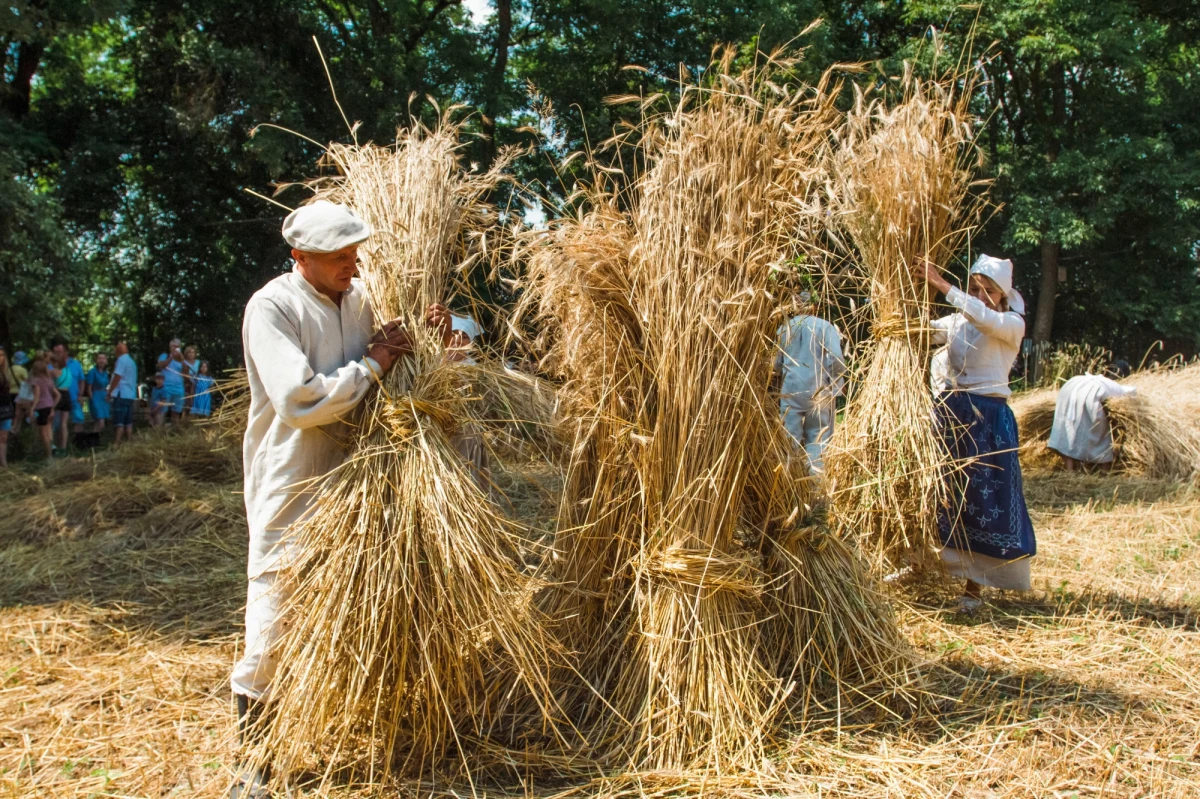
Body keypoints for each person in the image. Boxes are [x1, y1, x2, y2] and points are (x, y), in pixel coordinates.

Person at [229, 200, 432, 798]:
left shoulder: (361, 295)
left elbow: (399, 350)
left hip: (360, 480)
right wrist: (371, 366)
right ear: (300, 259)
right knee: (273, 618)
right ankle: (254, 765)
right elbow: (298, 399)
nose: (353, 262)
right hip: (292, 482)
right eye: (338, 255)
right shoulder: (274, 307)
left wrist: (423, 332)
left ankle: (370, 729)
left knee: (370, 605)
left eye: (354, 251)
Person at [914, 254, 1037, 615]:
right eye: (973, 288)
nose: (979, 295)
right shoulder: (956, 321)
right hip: (950, 415)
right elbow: (922, 333)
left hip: (989, 422)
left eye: (987, 290)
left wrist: (940, 284)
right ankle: (920, 563)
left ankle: (975, 588)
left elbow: (983, 319)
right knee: (939, 493)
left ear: (1002, 295)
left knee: (985, 502)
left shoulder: (1009, 323)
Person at [775, 290, 847, 475]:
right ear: (814, 307)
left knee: (790, 441)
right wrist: (836, 382)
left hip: (790, 391)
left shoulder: (783, 329)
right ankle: (816, 491)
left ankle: (790, 487)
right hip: (819, 389)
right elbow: (837, 359)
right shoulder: (825, 326)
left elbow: (776, 364)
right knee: (818, 440)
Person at [1047, 373, 1137, 471]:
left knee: (1068, 434)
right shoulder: (1117, 390)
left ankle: (1070, 470)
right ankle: (1104, 471)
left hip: (1067, 393)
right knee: (1101, 437)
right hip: (1089, 396)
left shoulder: (1104, 384)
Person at [108, 339, 138, 446]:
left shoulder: (121, 360)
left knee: (119, 421)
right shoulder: (132, 362)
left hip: (121, 394)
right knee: (128, 421)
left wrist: (109, 392)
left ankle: (116, 443)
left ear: (118, 351)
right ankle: (129, 442)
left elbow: (117, 377)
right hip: (130, 395)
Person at [28, 357, 59, 459]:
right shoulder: (49, 380)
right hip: (49, 407)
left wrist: (32, 408)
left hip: (41, 408)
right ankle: (52, 447)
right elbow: (58, 395)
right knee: (49, 429)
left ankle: (49, 455)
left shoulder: (36, 381)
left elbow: (37, 395)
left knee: (43, 433)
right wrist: (53, 406)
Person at [49, 346, 76, 453]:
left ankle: (52, 445)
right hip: (67, 395)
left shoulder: (54, 372)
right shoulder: (68, 370)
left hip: (57, 395)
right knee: (63, 424)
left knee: (51, 422)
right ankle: (63, 447)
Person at [157, 345, 187, 424]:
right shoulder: (164, 356)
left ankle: (174, 431)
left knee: (176, 411)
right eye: (174, 346)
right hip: (166, 388)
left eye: (177, 346)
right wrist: (171, 357)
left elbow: (186, 372)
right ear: (170, 347)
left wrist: (182, 359)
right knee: (163, 410)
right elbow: (160, 365)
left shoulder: (181, 359)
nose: (175, 348)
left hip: (179, 389)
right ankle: (159, 432)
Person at [86, 352, 111, 434]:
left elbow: (107, 386)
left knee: (98, 423)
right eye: (99, 358)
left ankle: (93, 439)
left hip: (104, 397)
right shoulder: (92, 372)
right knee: (101, 422)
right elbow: (89, 388)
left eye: (103, 358)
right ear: (96, 360)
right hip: (95, 396)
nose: (101, 360)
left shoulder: (105, 373)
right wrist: (92, 399)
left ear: (106, 361)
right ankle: (93, 437)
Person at [10, 350, 30, 442]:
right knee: (18, 415)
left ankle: (10, 430)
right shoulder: (22, 370)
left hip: (8, 394)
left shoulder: (9, 369)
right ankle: (15, 432)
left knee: (11, 414)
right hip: (19, 394)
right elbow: (27, 383)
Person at [0, 348, 15, 467]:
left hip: (5, 408)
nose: (0, 358)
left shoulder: (6, 373)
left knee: (4, 436)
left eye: (2, 355)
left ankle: (4, 463)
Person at [182, 345, 201, 417]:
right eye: (189, 352)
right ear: (186, 353)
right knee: (187, 404)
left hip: (198, 385)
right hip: (187, 385)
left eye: (192, 352)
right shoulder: (184, 362)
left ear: (195, 354)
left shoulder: (199, 362)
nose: (191, 354)